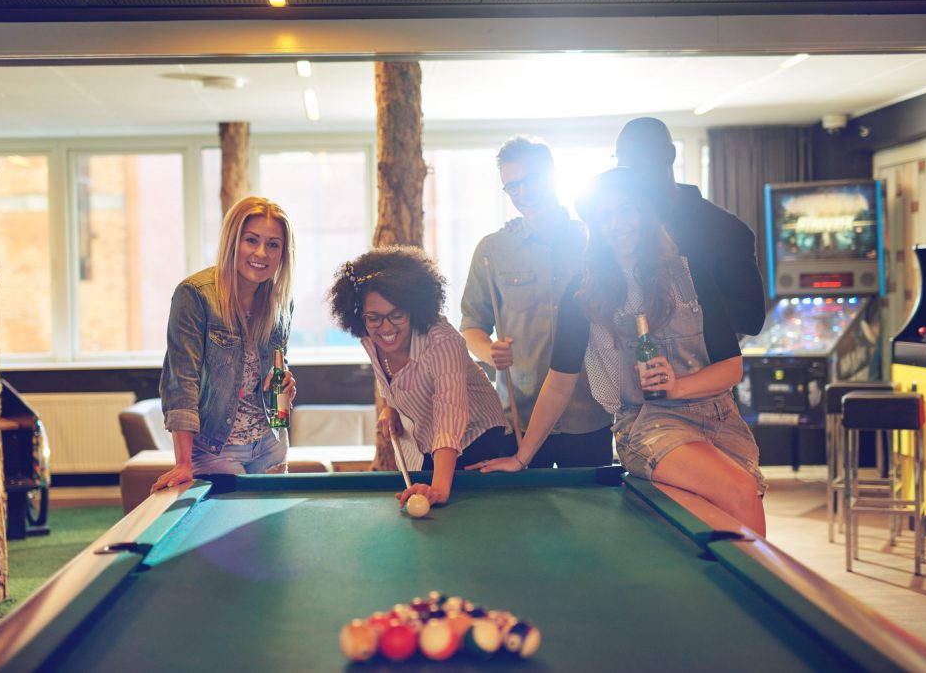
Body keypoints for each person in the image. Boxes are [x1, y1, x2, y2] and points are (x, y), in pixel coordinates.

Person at [470, 168, 767, 536]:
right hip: (648, 423)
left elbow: (732, 368)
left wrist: (679, 386)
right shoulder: (583, 291)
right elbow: (560, 384)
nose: (617, 223)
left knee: (738, 508)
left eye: (626, 210)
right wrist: (521, 457)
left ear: (645, 212)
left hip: (721, 418)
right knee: (739, 492)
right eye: (604, 215)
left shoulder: (692, 275)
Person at [460, 135, 613, 468]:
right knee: (522, 519)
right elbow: (471, 326)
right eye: (512, 187)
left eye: (530, 181)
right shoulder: (492, 249)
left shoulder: (594, 241)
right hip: (518, 418)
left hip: (590, 415)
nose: (523, 194)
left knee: (592, 518)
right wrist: (490, 352)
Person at [328, 246, 510, 509]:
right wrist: (391, 407)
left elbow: (450, 414)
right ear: (360, 315)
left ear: (413, 309)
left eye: (397, 315)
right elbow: (389, 377)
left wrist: (439, 488)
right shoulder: (370, 336)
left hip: (480, 442)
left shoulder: (442, 342)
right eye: (374, 317)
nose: (386, 327)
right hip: (433, 445)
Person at [152, 196, 297, 492]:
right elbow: (181, 383)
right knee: (238, 538)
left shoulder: (281, 302)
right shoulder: (195, 295)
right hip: (215, 450)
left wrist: (282, 385)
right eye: (251, 240)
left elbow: (270, 371)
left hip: (271, 445)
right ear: (233, 241)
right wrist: (183, 463)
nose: (261, 253)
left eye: (273, 244)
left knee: (271, 537)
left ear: (283, 253)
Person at [615, 117, 766, 336]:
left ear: (669, 155)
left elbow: (750, 319)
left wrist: (679, 296)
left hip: (703, 366)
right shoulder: (622, 228)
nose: (628, 167)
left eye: (639, 153)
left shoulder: (725, 229)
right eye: (622, 157)